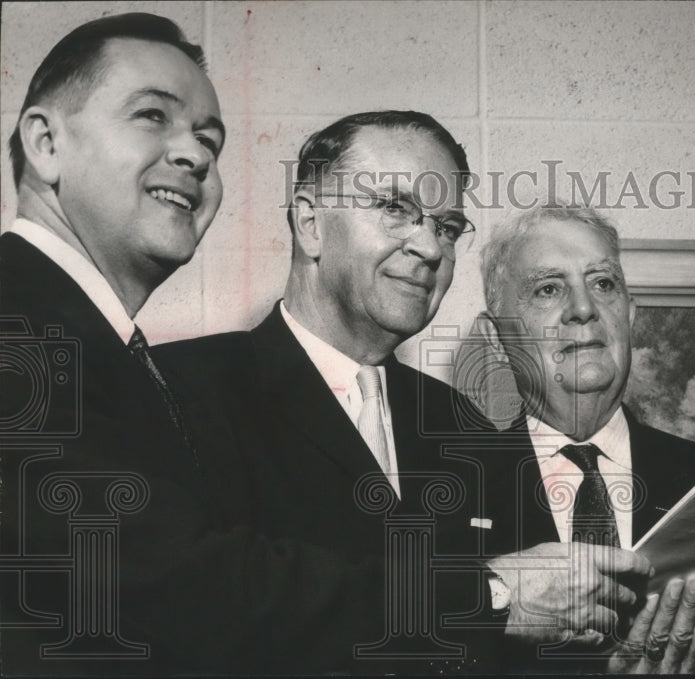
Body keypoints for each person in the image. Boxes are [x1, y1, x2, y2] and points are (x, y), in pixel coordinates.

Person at [153, 112, 660, 674]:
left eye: (446, 226)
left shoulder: (458, 423)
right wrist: (490, 594)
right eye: (396, 209)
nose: (430, 247)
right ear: (310, 223)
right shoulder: (180, 388)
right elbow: (195, 606)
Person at [0, 13, 229, 675]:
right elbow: (176, 583)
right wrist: (483, 591)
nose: (195, 155)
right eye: (153, 116)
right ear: (45, 143)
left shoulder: (96, 342)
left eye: (209, 139)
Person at [473, 202, 695, 673]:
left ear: (629, 316)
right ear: (495, 338)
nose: (584, 309)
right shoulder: (442, 490)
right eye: (548, 289)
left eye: (602, 283)